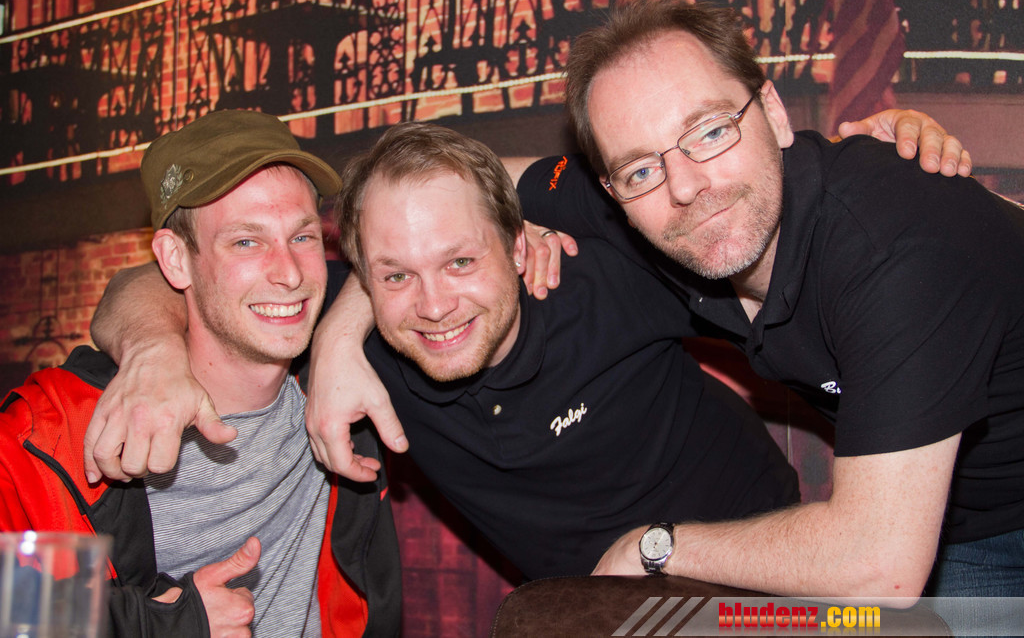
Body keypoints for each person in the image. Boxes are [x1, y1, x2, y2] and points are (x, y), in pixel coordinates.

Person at [86, 108, 967, 582]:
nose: (435, 304)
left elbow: (769, 224)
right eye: (395, 274)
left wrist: (870, 161)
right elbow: (147, 289)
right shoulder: (332, 336)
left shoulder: (598, 268)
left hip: (768, 575)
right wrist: (151, 353)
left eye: (461, 260)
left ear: (516, 245)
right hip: (587, 613)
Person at [518, 0, 1022, 614]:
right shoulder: (642, 208)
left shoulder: (892, 241)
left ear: (775, 115)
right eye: (640, 170)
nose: (686, 187)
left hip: (908, 540)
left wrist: (653, 547)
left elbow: (878, 566)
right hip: (958, 524)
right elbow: (496, 186)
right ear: (612, 192)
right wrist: (504, 237)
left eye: (710, 131)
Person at [0, 110, 400, 636]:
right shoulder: (52, 433)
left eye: (302, 237)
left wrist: (341, 335)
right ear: (175, 260)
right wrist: (169, 624)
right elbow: (13, 611)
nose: (289, 273)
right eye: (246, 242)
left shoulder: (348, 388)